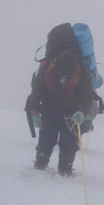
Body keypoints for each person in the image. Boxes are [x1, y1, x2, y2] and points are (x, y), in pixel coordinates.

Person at [27, 44, 95, 176]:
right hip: (50, 108)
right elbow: (37, 89)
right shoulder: (48, 68)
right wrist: (34, 110)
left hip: (71, 112)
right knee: (47, 138)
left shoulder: (82, 72)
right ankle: (42, 164)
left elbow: (88, 95)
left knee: (68, 142)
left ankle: (64, 168)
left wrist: (82, 111)